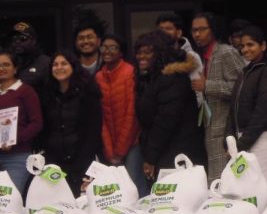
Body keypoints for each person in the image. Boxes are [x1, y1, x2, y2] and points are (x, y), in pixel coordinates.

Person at [133, 30, 203, 181]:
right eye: (139, 52)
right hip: (163, 152)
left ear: (160, 53)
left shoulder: (172, 78)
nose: (141, 56)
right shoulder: (151, 78)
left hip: (177, 154)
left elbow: (165, 122)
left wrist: (151, 158)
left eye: (147, 52)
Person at [0, 49, 42, 196]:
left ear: (15, 68)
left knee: (10, 199)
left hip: (17, 157)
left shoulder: (26, 91)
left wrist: (15, 140)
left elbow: (36, 123)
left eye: (6, 65)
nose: (1, 68)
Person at [228, 26, 267, 190]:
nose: (245, 49)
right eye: (242, 46)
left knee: (266, 190)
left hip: (265, 139)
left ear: (263, 46)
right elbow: (233, 107)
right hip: (245, 140)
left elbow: (264, 110)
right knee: (248, 191)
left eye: (250, 45)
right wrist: (230, 137)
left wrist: (243, 141)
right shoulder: (245, 72)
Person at [38, 51, 102, 195]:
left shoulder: (88, 91)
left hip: (82, 158)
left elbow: (94, 130)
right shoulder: (47, 93)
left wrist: (85, 158)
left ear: (73, 66)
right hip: (54, 160)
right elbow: (45, 129)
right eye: (55, 64)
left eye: (64, 63)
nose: (59, 67)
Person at [190, 13, 244, 182]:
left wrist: (207, 86)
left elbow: (241, 89)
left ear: (213, 30)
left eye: (202, 29)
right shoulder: (205, 55)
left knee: (226, 185)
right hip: (211, 130)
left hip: (225, 132)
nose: (197, 34)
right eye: (194, 30)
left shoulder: (226, 52)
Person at [95, 34, 147, 196]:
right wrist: (110, 150)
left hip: (133, 141)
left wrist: (120, 149)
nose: (107, 51)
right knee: (117, 190)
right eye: (104, 47)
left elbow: (132, 114)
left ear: (121, 52)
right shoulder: (98, 77)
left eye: (113, 47)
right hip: (111, 144)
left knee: (133, 183)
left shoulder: (130, 72)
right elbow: (101, 117)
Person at [10, 21, 52, 93]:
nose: (17, 42)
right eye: (14, 38)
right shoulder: (9, 63)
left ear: (34, 41)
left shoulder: (46, 63)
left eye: (23, 38)